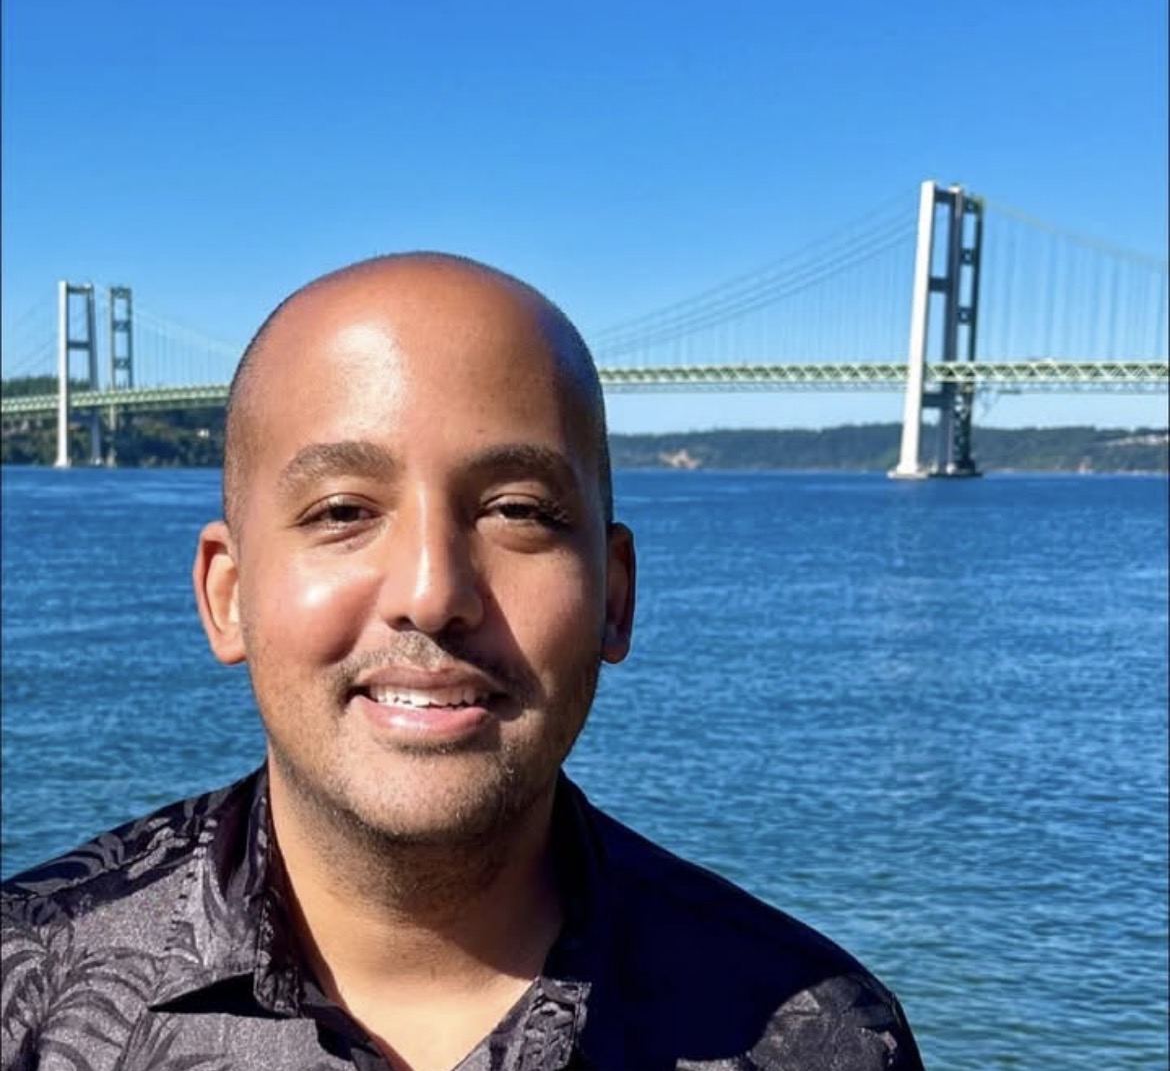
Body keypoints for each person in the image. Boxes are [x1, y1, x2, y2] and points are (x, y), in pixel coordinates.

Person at [1, 254, 925, 1070]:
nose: (433, 590)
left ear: (614, 595)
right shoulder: (26, 990)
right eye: (340, 511)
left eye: (519, 510)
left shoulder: (820, 1034)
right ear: (227, 595)